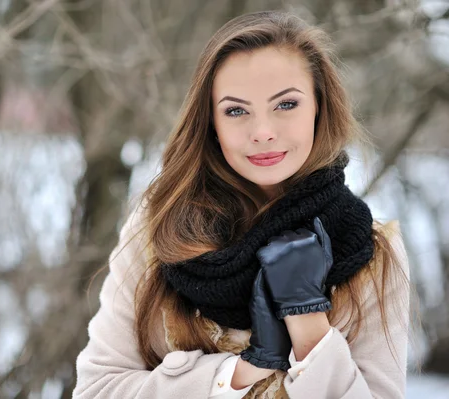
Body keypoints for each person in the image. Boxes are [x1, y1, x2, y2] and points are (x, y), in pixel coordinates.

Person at [73, 10, 410, 399]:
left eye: (286, 105)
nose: (263, 132)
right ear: (211, 122)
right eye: (236, 110)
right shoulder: (160, 229)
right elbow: (97, 390)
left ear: (319, 106)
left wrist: (307, 319)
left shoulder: (372, 253)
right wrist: (240, 372)